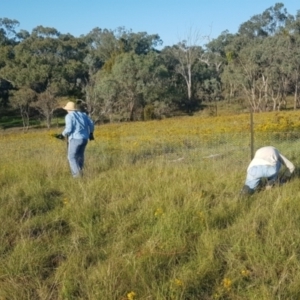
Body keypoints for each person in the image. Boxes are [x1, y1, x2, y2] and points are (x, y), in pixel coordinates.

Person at [59, 101, 94, 178]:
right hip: (85, 138)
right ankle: (81, 172)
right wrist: (91, 133)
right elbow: (91, 124)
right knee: (80, 156)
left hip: (75, 138)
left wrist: (62, 135)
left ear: (68, 109)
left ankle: (77, 176)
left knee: (71, 157)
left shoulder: (69, 116)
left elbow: (69, 128)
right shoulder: (83, 115)